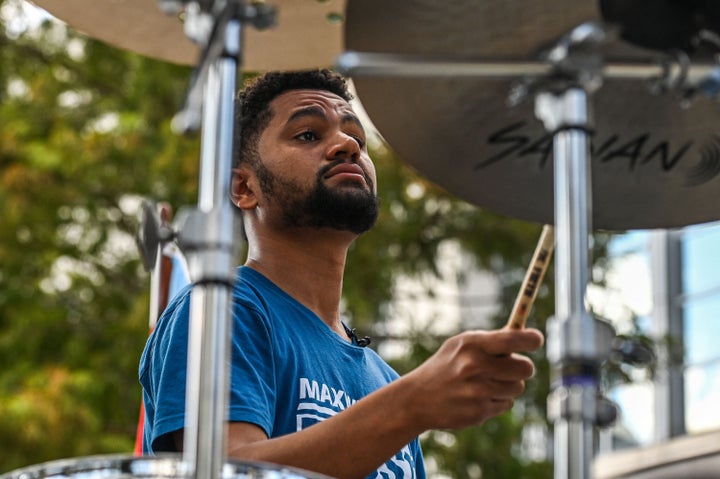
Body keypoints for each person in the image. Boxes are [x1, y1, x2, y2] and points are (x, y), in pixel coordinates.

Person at [139, 69, 544, 479]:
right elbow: (226, 471)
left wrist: (407, 402)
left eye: (358, 139)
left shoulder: (385, 381)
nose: (347, 145)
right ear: (244, 187)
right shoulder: (220, 310)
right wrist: (413, 403)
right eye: (308, 135)